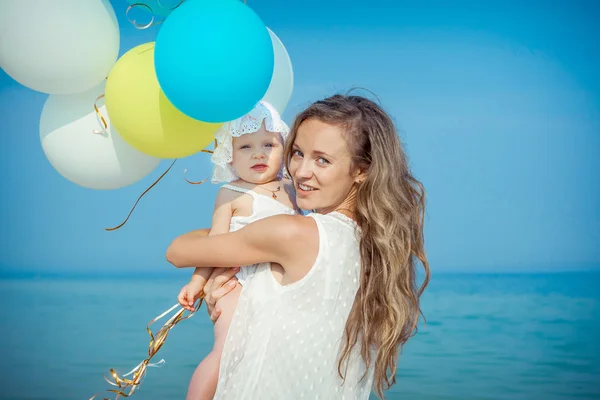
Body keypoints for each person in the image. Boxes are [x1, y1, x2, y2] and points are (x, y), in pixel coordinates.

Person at [167, 93, 431, 399]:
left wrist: (232, 230)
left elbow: (177, 251)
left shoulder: (293, 233)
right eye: (297, 153)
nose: (301, 171)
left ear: (361, 169)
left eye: (322, 160)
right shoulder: (372, 246)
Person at [176, 100, 300, 399]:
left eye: (269, 144)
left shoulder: (292, 189)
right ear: (228, 157)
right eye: (245, 147)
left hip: (281, 287)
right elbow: (214, 246)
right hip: (236, 283)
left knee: (268, 357)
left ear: (284, 149)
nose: (258, 153)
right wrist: (197, 283)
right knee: (226, 350)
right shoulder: (232, 193)